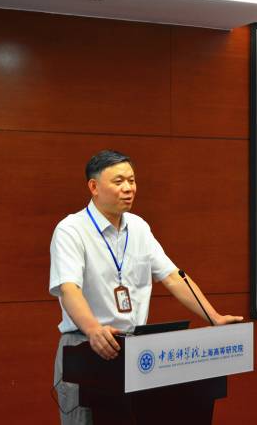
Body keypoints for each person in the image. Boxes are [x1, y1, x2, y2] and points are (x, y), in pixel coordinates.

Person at [49, 150, 243, 425]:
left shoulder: (139, 228)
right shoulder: (71, 230)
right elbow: (69, 288)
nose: (128, 188)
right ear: (94, 187)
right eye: (118, 181)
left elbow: (173, 277)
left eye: (132, 180)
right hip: (87, 347)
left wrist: (214, 317)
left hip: (134, 351)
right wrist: (93, 329)